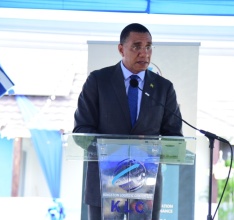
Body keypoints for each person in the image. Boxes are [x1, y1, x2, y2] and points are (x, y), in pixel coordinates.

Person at [73, 23, 182, 220]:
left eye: (148, 46)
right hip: (104, 185)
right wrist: (115, 147)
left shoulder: (163, 88)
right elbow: (82, 129)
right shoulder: (99, 81)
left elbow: (174, 137)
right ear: (121, 49)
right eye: (137, 46)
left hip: (146, 188)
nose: (144, 52)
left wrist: (149, 147)